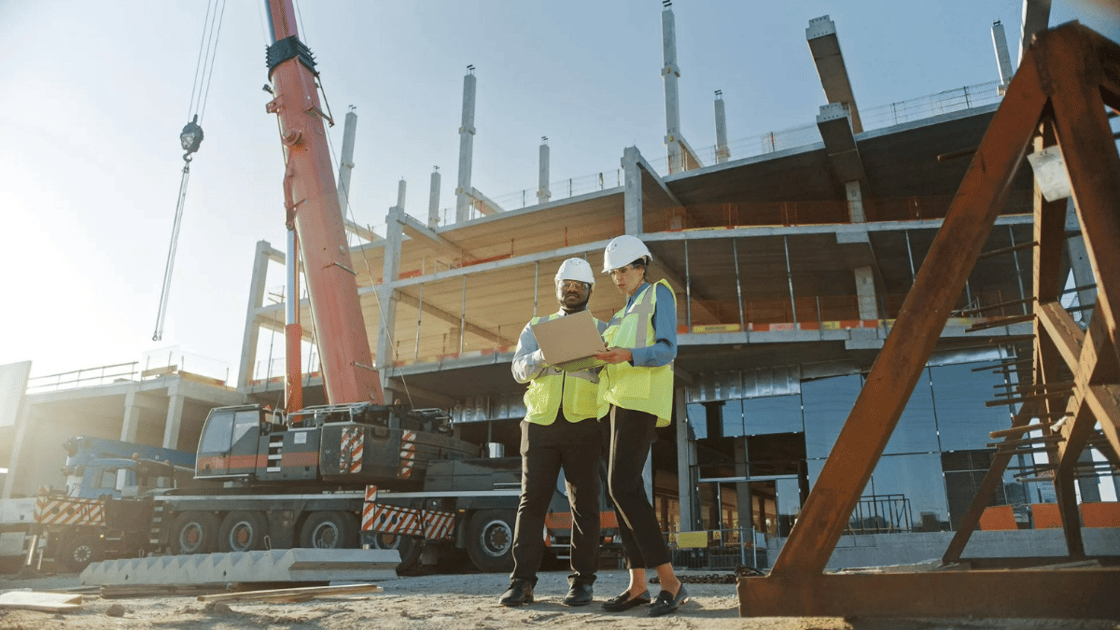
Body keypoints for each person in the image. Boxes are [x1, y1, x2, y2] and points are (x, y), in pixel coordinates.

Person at [498, 257, 608, 608]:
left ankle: (582, 583)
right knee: (531, 505)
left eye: (578, 286)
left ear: (589, 290)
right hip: (541, 423)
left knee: (585, 506)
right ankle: (522, 583)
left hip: (584, 423)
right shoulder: (536, 327)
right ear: (557, 288)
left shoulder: (603, 329)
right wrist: (545, 354)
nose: (572, 290)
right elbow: (517, 371)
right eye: (566, 285)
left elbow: (612, 374)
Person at [594, 235, 688, 618]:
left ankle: (671, 582)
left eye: (622, 270)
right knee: (621, 491)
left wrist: (629, 354)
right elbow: (611, 358)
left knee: (622, 486)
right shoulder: (620, 314)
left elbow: (668, 349)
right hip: (615, 403)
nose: (617, 277)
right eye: (612, 272)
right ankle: (638, 585)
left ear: (640, 267)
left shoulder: (658, 295)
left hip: (641, 400)